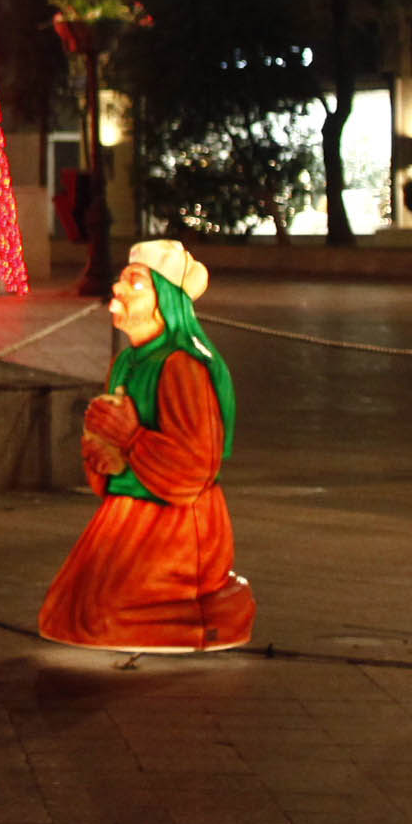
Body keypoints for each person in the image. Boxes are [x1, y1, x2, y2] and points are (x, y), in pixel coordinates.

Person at [37, 238, 256, 652]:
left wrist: (131, 437)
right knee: (67, 610)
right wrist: (101, 452)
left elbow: (197, 466)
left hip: (177, 520)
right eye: (121, 279)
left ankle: (207, 618)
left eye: (135, 283)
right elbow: (110, 443)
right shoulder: (128, 361)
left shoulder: (183, 367)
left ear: (165, 302)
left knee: (102, 615)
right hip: (129, 511)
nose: (118, 289)